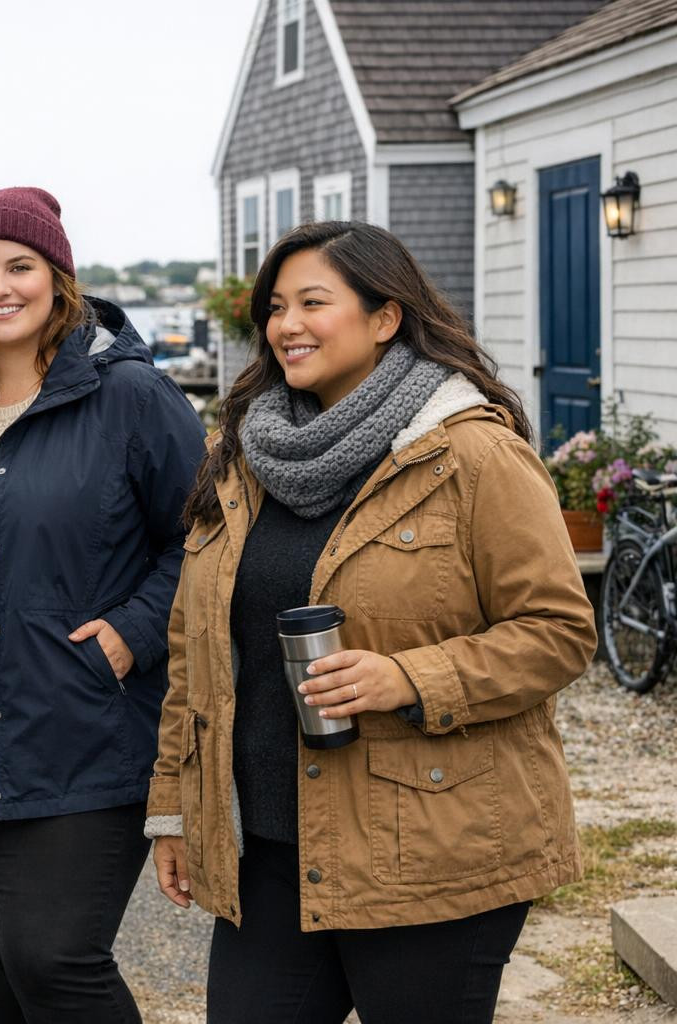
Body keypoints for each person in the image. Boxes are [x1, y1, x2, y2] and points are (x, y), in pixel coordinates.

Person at [148, 221, 597, 1024]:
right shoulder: (241, 457)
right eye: (276, 307)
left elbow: (559, 630)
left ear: (386, 317)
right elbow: (195, 650)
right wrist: (176, 812)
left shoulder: (472, 454)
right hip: (270, 855)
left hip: (429, 849)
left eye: (313, 302)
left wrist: (407, 677)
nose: (287, 325)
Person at [0, 186, 204, 1023]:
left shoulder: (129, 397)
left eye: (19, 266)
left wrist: (132, 631)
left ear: (59, 278)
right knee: (1, 959)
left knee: (54, 960)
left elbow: (208, 539)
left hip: (76, 726)